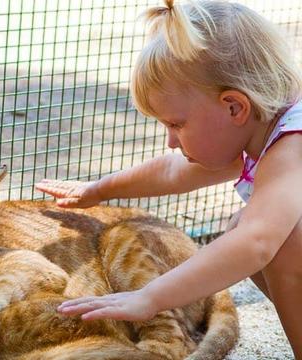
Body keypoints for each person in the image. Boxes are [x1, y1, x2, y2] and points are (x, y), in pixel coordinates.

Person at [35, 0, 302, 357]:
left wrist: (150, 297)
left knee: (277, 240)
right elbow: (173, 170)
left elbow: (257, 242)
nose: (171, 140)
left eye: (176, 124)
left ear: (234, 107)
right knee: (246, 226)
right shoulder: (263, 129)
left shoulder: (291, 145)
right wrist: (98, 190)